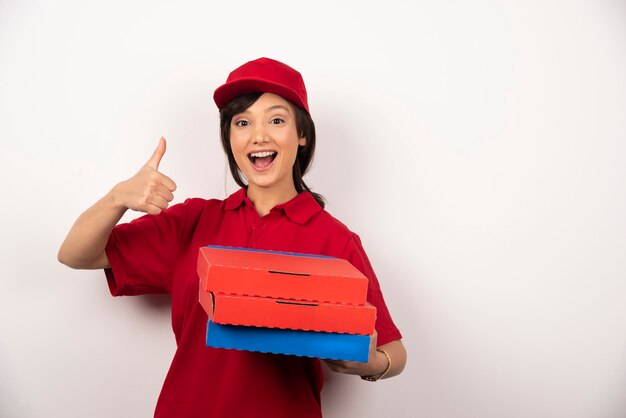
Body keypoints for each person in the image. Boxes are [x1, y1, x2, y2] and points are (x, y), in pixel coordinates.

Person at [58, 57, 406, 418]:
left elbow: (395, 351)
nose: (259, 135)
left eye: (276, 119)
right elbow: (75, 254)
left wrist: (369, 364)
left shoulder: (335, 239)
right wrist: (118, 198)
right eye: (242, 122)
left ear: (301, 134)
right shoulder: (193, 221)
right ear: (230, 137)